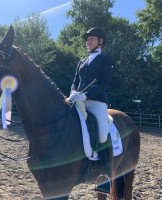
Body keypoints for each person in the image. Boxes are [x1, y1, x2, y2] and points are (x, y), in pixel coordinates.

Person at [66, 27, 114, 194]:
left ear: (100, 41)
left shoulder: (105, 60)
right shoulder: (82, 61)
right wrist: (73, 92)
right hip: (78, 100)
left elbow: (104, 85)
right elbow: (74, 81)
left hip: (96, 102)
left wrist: (85, 94)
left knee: (102, 133)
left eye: (91, 38)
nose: (88, 41)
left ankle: (105, 176)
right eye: (87, 39)